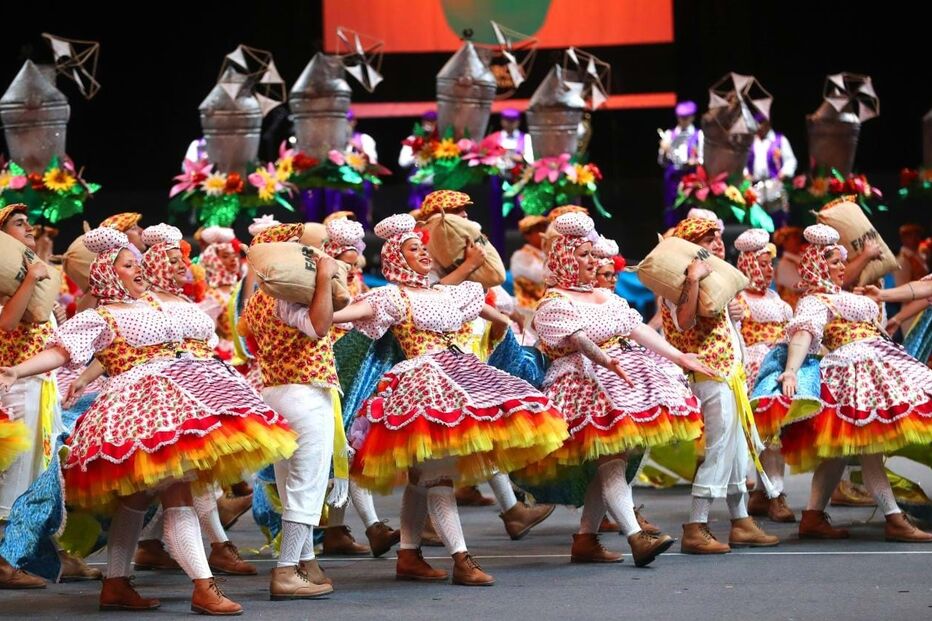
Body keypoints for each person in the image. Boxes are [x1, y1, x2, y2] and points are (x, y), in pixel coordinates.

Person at [0, 226, 298, 614]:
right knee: (178, 497)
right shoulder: (103, 316)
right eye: (128, 265)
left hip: (188, 399)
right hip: (144, 411)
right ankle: (204, 586)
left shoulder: (162, 304)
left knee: (135, 502)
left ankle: (117, 584)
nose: (138, 269)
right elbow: (60, 352)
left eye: (139, 263)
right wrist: (17, 371)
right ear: (109, 272)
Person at [333, 214, 569, 586]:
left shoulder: (445, 293)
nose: (424, 254)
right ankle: (462, 558)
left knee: (421, 479)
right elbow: (347, 314)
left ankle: (409, 555)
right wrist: (317, 309)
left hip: (458, 374)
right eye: (414, 250)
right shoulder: (391, 296)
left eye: (424, 248)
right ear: (396, 257)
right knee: (437, 477)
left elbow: (481, 308)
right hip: (422, 386)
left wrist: (506, 321)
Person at [530, 213, 713, 566]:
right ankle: (635, 536)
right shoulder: (554, 302)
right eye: (582, 254)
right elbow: (580, 342)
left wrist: (680, 357)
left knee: (615, 462)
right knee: (612, 462)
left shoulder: (604, 296)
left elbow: (636, 329)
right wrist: (604, 360)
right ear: (566, 256)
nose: (591, 260)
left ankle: (586, 538)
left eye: (590, 253)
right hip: (587, 384)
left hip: (625, 377)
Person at [753, 224, 932, 543]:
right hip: (852, 371)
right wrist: (791, 370)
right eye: (834, 262)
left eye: (841, 261)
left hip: (876, 363)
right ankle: (894, 518)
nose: (841, 267)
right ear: (820, 265)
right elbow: (803, 335)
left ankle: (812, 516)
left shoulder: (849, 295)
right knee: (868, 444)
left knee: (838, 452)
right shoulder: (814, 301)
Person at [662, 216, 779, 553]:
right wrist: (693, 280)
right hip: (709, 376)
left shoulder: (714, 279)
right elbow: (684, 323)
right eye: (706, 238)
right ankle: (696, 526)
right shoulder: (678, 281)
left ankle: (741, 520)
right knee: (719, 449)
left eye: (717, 237)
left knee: (737, 451)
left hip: (729, 375)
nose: (716, 243)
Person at [241, 223, 340, 599]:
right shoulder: (288, 296)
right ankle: (285, 571)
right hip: (304, 393)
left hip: (274, 393)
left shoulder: (257, 299)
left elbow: (245, 329)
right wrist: (326, 279)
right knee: (306, 487)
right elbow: (318, 326)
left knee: (290, 483)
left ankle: (305, 562)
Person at [732, 229, 796, 523]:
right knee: (766, 434)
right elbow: (735, 338)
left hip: (778, 366)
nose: (768, 269)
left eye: (770, 263)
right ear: (747, 264)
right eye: (762, 263)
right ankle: (776, 494)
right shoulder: (737, 300)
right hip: (753, 369)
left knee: (774, 433)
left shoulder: (776, 298)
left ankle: (762, 492)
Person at [658, 100, 703, 227]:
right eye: (681, 117)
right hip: (673, 179)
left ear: (692, 117)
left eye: (686, 118)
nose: (683, 120)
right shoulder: (669, 135)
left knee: (691, 214)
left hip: (691, 178)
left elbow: (703, 160)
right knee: (672, 213)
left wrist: (695, 161)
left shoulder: (698, 135)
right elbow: (662, 162)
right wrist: (664, 152)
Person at [399, 110, 438, 211]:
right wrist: (419, 152)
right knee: (418, 217)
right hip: (419, 187)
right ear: (422, 122)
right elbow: (402, 162)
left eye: (432, 121)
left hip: (437, 187)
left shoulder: (441, 140)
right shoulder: (413, 140)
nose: (429, 124)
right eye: (427, 121)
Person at [510, 215, 549, 312]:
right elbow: (540, 279)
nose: (544, 233)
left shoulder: (548, 254)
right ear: (527, 235)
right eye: (539, 230)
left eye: (545, 228)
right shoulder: (521, 256)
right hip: (529, 310)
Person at [773, 226, 807, 309]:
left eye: (798, 237)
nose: (798, 240)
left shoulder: (802, 257)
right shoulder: (784, 264)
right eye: (794, 238)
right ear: (785, 242)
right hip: (795, 306)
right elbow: (796, 285)